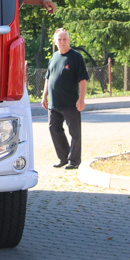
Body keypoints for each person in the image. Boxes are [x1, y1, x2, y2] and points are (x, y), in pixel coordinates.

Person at [41, 28, 89, 169]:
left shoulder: (76, 57)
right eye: (59, 39)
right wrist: (44, 96)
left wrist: (81, 99)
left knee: (74, 132)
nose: (62, 42)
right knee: (53, 129)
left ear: (69, 40)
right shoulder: (54, 56)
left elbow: (83, 80)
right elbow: (48, 78)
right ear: (55, 41)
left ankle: (74, 161)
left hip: (70, 103)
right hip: (54, 103)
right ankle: (63, 157)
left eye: (64, 39)